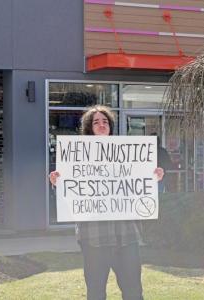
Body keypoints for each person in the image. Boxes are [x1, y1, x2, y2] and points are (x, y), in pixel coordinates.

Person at [49, 105, 164, 300]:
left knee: (133, 291)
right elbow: (70, 191)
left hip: (126, 236)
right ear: (89, 128)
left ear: (110, 126)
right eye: (96, 122)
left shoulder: (128, 154)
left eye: (105, 122)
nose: (101, 125)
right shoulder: (77, 156)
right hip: (93, 238)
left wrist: (153, 177)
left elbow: (139, 185)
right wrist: (57, 182)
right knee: (95, 292)